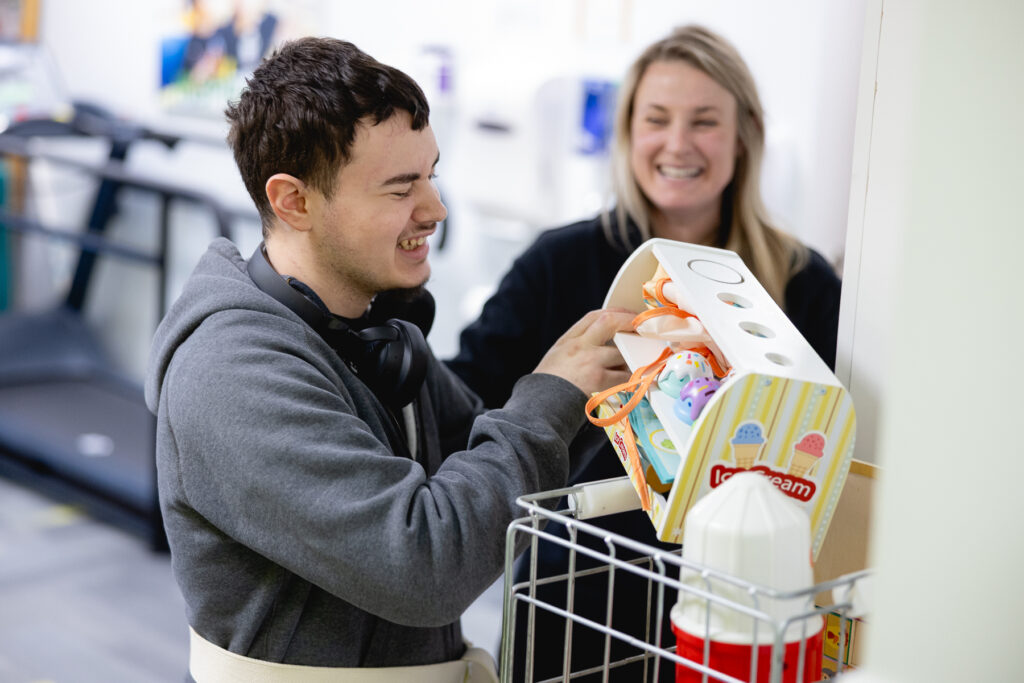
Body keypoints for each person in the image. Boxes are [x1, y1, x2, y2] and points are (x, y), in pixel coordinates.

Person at [144, 37, 635, 682]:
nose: (435, 209)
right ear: (294, 201)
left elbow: (500, 476)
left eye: (430, 174)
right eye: (402, 188)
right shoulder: (231, 376)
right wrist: (549, 396)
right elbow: (426, 564)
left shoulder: (375, 333)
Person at [445, 24, 843, 681]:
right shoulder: (559, 263)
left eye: (704, 121)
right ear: (628, 131)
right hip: (577, 595)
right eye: (657, 118)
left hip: (740, 603)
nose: (678, 144)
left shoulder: (803, 285)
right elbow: (463, 401)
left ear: (745, 134)